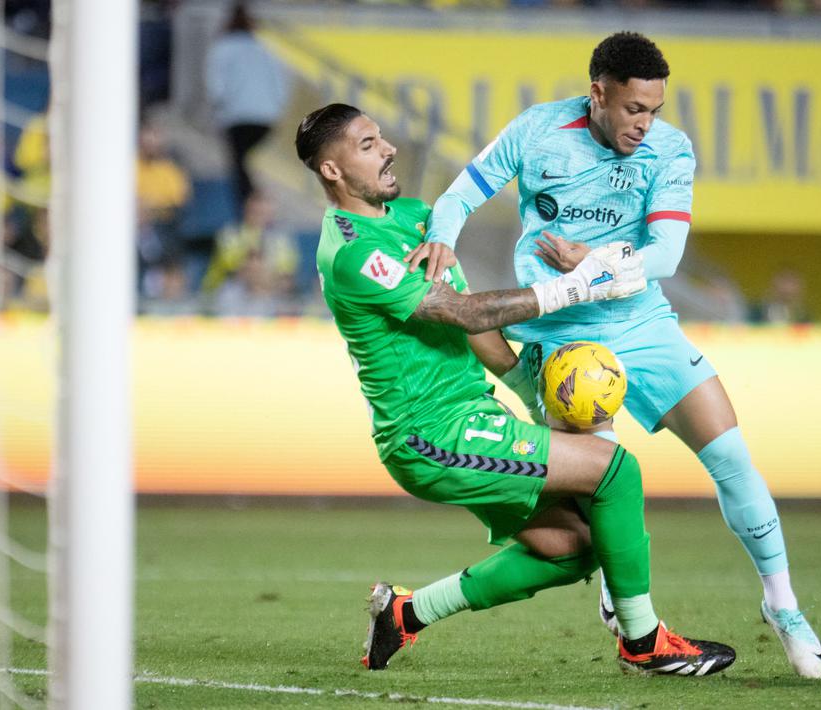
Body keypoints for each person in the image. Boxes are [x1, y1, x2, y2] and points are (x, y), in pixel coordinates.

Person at [408, 32, 821, 679]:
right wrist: (440, 240)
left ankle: (784, 607)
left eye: (654, 109)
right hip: (562, 336)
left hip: (642, 323)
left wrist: (595, 262)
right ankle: (630, 617)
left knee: (731, 458)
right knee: (600, 485)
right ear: (598, 93)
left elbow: (665, 254)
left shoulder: (669, 149)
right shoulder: (538, 130)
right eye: (634, 108)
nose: (645, 123)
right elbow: (460, 193)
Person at [296, 102, 736, 676]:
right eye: (367, 144)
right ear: (333, 171)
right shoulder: (352, 250)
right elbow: (457, 312)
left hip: (471, 416)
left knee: (575, 547)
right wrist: (571, 288)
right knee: (614, 471)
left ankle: (405, 614)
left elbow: (477, 331)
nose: (389, 149)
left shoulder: (415, 217)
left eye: (381, 138)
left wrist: (529, 390)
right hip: (426, 435)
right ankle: (644, 641)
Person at [205, 2, 289, 203]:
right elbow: (281, 84)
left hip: (237, 115)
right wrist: (275, 108)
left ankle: (248, 204)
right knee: (249, 162)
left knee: (239, 164)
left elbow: (216, 85)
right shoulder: (266, 48)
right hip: (267, 116)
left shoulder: (223, 47)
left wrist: (218, 108)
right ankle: (256, 200)